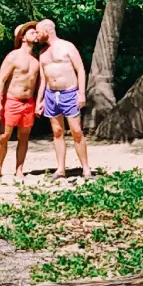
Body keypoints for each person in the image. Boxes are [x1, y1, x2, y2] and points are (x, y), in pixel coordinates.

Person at [34, 18, 91, 180]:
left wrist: (81, 93)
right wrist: (40, 100)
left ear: (47, 30)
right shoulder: (42, 53)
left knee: (76, 131)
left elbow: (80, 69)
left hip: (69, 93)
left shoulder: (67, 46)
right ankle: (61, 169)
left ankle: (86, 169)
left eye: (38, 31)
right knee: (57, 132)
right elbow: (43, 79)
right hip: (51, 95)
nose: (37, 36)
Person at [0, 22, 44, 178]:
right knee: (4, 136)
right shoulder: (13, 56)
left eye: (36, 32)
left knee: (24, 136)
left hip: (28, 102)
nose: (36, 34)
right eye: (32, 32)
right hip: (12, 100)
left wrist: (39, 102)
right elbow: (1, 80)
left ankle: (19, 169)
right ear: (22, 37)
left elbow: (40, 84)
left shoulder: (36, 60)